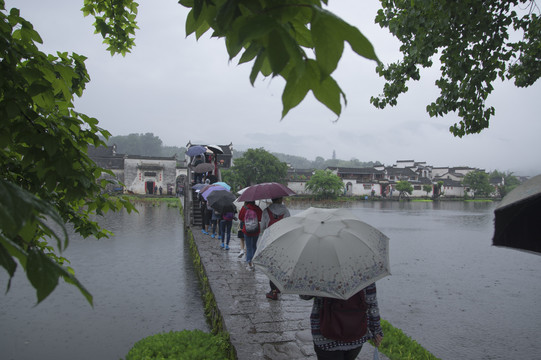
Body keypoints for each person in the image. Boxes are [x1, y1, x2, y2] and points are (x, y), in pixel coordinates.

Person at [301, 283, 384, 360]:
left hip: (325, 337)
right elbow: (372, 304)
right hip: (355, 336)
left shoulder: (321, 271)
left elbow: (304, 295)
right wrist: (376, 331)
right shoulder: (364, 270)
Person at [260, 197, 290, 300]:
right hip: (282, 241)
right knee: (279, 266)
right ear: (281, 199)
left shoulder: (266, 211)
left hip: (269, 241)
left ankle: (273, 291)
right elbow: (288, 226)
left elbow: (262, 227)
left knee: (271, 267)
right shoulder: (285, 211)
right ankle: (277, 287)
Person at [238, 201, 262, 270]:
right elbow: (260, 218)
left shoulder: (244, 208)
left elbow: (240, 218)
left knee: (248, 247)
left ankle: (249, 263)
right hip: (256, 230)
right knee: (254, 246)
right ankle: (254, 262)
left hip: (247, 230)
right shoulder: (257, 208)